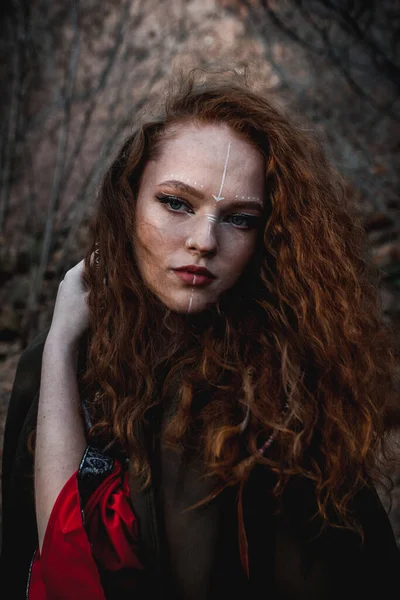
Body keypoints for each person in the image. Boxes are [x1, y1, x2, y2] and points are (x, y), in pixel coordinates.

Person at [1, 67, 399, 600]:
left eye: (239, 219)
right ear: (129, 205)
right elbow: (46, 560)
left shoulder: (277, 388)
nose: (203, 241)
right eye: (176, 203)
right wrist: (60, 344)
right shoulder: (51, 365)